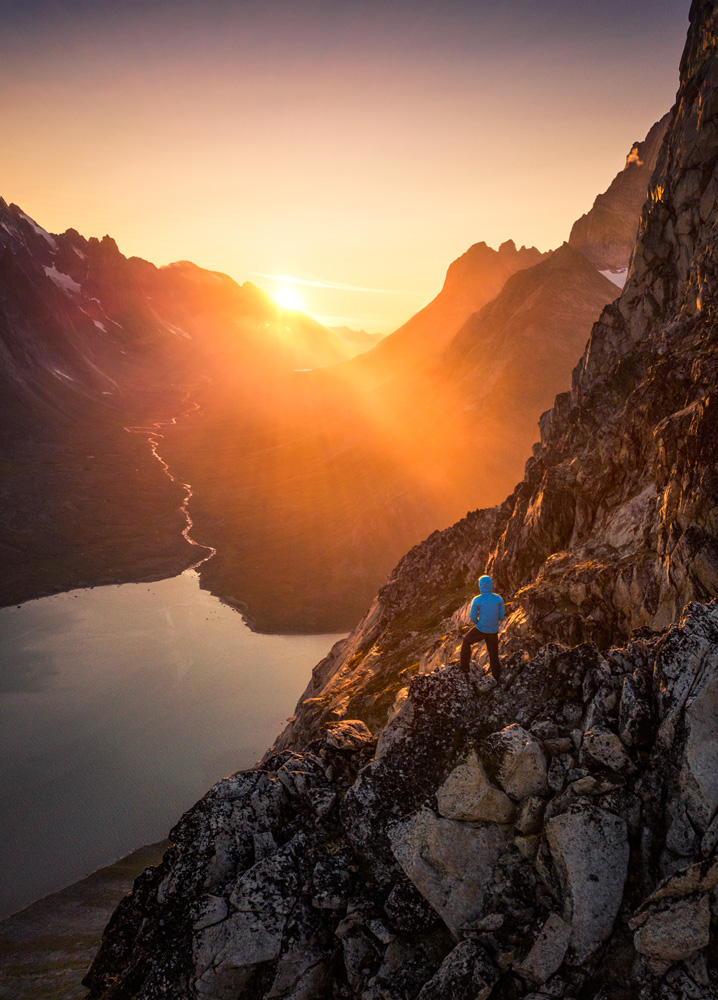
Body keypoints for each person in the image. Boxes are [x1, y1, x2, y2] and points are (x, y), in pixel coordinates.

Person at [460, 574, 504, 680]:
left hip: (480, 629)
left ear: (481, 586)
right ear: (491, 585)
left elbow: (473, 617)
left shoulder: (477, 600)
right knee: (493, 654)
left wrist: (480, 623)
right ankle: (496, 677)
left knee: (466, 641)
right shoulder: (498, 598)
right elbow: (501, 616)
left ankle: (464, 668)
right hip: (493, 630)